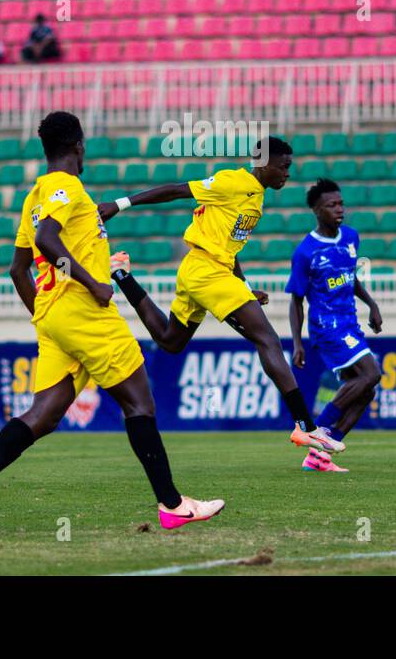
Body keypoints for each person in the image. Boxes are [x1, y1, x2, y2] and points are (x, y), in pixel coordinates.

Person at [0, 111, 222, 535]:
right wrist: (94, 283)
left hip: (54, 315)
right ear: (79, 146)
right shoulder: (65, 185)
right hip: (82, 310)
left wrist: (43, 315)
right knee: (139, 403)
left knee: (45, 414)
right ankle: (172, 505)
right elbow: (47, 241)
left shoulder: (36, 195)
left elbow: (19, 270)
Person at [100, 139, 345, 457]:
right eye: (282, 167)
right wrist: (119, 205)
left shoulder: (256, 196)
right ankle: (306, 426)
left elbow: (229, 246)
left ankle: (121, 274)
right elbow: (176, 190)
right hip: (205, 271)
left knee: (170, 341)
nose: (287, 173)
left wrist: (242, 284)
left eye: (289, 167)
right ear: (262, 164)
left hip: (208, 270)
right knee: (267, 339)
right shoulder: (233, 182)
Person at [287, 179, 383, 473]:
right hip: (326, 326)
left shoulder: (351, 237)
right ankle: (310, 430)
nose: (339, 209)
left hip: (349, 323)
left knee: (366, 390)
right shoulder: (306, 251)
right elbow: (296, 301)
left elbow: (349, 278)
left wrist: (372, 304)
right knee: (371, 374)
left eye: (340, 203)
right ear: (317, 211)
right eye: (332, 205)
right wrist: (298, 342)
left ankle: (320, 456)